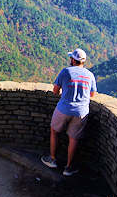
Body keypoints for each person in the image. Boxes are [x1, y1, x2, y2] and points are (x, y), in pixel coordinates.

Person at [41, 48, 97, 176]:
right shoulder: (90, 75)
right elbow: (92, 94)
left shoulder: (66, 72)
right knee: (74, 138)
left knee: (54, 132)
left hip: (64, 108)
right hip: (81, 112)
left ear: (73, 60)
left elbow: (55, 91)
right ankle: (68, 167)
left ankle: (52, 159)